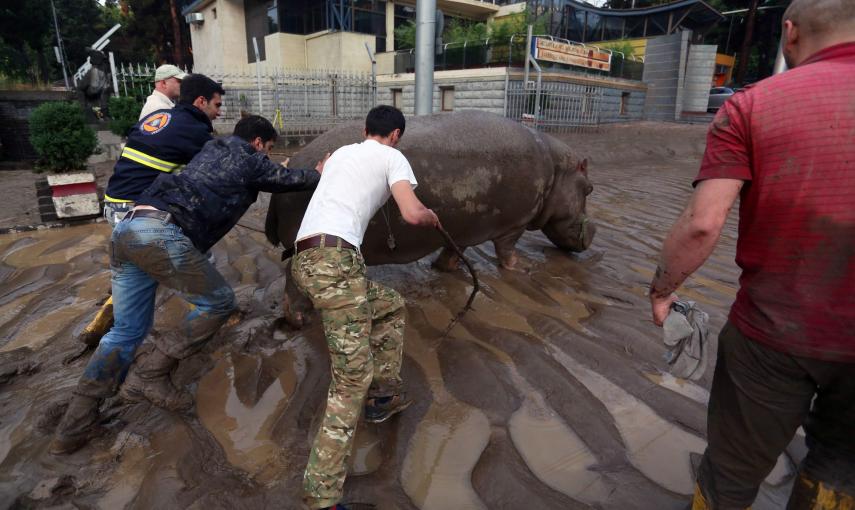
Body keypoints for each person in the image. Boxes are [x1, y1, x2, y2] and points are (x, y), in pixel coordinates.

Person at [649, 1, 855, 508]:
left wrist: (663, 289)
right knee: (840, 465)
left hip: (772, 334)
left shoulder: (752, 105)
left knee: (732, 469)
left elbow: (702, 224)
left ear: (789, 32)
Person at [50, 115, 324, 455]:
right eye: (266, 150)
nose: (265, 156)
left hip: (129, 230)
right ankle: (151, 372)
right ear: (258, 143)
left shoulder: (212, 148)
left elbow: (256, 175)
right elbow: (291, 179)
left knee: (126, 332)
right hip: (160, 236)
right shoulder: (248, 157)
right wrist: (320, 172)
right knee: (219, 302)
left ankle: (73, 427)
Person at [291, 105, 440, 510]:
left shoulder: (341, 153)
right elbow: (410, 213)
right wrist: (431, 217)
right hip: (336, 264)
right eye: (397, 138)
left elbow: (323, 170)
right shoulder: (393, 157)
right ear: (395, 135)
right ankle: (321, 497)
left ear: (364, 130)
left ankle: (384, 397)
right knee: (349, 381)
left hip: (305, 261)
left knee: (390, 305)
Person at [77, 73, 224, 348]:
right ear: (201, 101)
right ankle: (210, 319)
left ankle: (104, 326)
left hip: (114, 205)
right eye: (216, 105)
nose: (219, 112)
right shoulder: (193, 130)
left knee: (138, 269)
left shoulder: (158, 118)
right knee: (200, 258)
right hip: (139, 212)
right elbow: (221, 169)